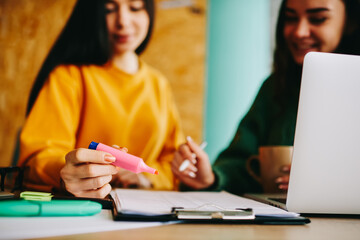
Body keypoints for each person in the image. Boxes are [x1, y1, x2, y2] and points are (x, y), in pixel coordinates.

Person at [171, 0, 360, 195]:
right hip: (279, 221)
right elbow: (242, 164)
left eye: (318, 19)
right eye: (290, 18)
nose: (299, 32)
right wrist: (210, 178)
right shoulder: (275, 87)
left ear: (351, 22)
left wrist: (338, 181)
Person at [18, 0, 184, 198]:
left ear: (149, 13)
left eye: (135, 7)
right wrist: (67, 173)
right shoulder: (68, 77)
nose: (123, 21)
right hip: (80, 208)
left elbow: (174, 165)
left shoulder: (159, 84)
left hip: (146, 210)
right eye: (109, 9)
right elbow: (37, 159)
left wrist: (147, 178)